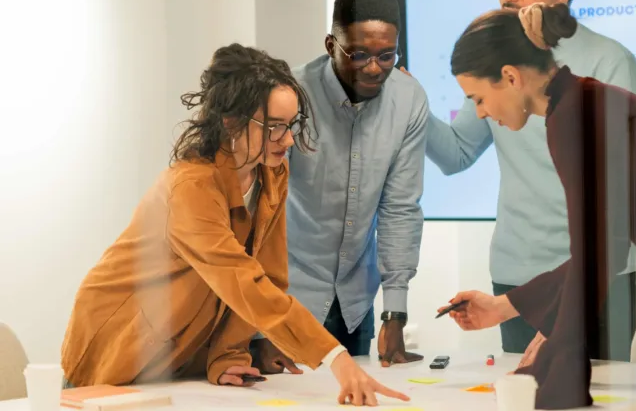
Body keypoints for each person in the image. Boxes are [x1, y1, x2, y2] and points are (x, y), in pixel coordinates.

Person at [438, 3, 636, 411]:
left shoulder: (571, 115)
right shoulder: (583, 100)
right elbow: (602, 246)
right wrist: (514, 311)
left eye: (478, 99)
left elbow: (594, 252)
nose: (482, 112)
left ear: (510, 77)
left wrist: (557, 358)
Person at [61, 44, 409, 407]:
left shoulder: (271, 171)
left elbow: (269, 274)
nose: (288, 140)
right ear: (231, 121)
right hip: (117, 346)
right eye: (275, 127)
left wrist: (228, 354)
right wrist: (334, 356)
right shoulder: (190, 188)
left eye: (292, 126)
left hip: (176, 356)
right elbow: (242, 280)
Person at [417, 0, 636, 363]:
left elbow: (624, 192)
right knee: (525, 398)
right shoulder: (496, 62)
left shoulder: (609, 63)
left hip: (599, 273)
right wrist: (405, 98)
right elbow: (455, 153)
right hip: (516, 271)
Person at [283, 0, 428, 366]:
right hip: (287, 295)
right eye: (359, 54)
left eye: (387, 55)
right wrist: (259, 324)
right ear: (331, 45)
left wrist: (394, 313)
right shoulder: (292, 94)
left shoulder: (409, 98)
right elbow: (259, 206)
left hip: (354, 300)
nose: (374, 67)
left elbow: (400, 207)